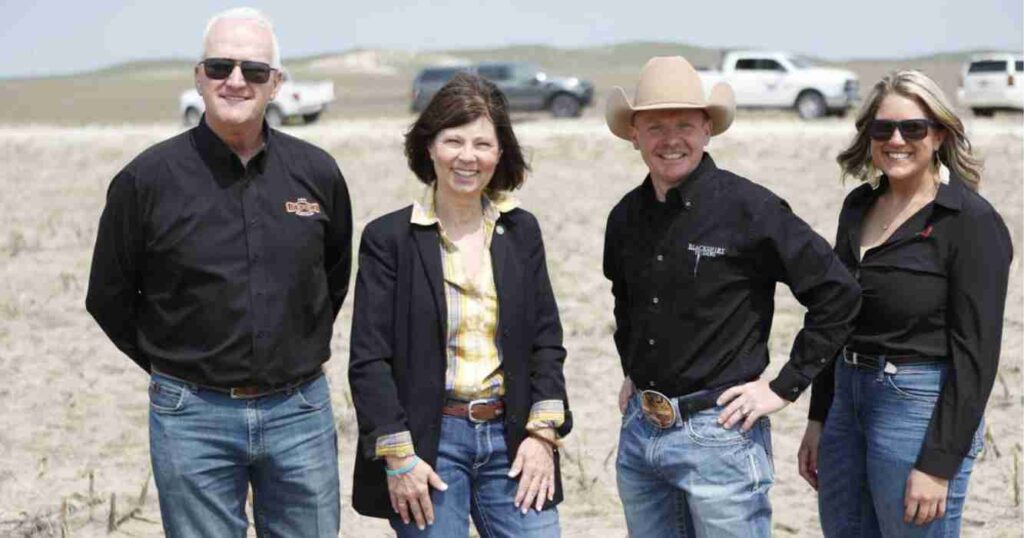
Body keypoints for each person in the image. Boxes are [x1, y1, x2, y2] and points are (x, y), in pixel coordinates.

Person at [85, 7, 351, 537]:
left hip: (299, 410)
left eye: (254, 70)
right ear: (198, 76)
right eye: (219, 66)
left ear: (276, 84)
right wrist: (175, 365)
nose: (235, 81)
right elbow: (109, 296)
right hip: (191, 417)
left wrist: (291, 350)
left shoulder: (317, 173)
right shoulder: (145, 181)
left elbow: (332, 276)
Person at [603, 56, 862, 537]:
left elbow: (837, 294)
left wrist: (783, 387)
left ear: (707, 130)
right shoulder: (624, 217)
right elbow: (626, 301)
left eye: (684, 124)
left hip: (719, 436)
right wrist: (632, 370)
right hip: (640, 433)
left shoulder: (751, 208)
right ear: (634, 134)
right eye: (655, 126)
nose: (671, 139)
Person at [348, 72, 570, 537]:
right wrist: (399, 456)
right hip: (428, 446)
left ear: (500, 152)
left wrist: (542, 435)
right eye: (453, 141)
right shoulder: (388, 239)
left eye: (483, 144)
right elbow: (369, 359)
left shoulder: (522, 230)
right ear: (428, 147)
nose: (468, 157)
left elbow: (546, 341)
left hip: (513, 437)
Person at [798, 70, 1013, 536]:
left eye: (912, 128)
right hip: (846, 400)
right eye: (883, 128)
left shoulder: (971, 222)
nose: (896, 139)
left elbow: (976, 356)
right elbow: (835, 318)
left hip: (916, 407)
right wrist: (819, 417)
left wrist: (938, 464)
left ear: (938, 134)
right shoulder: (858, 206)